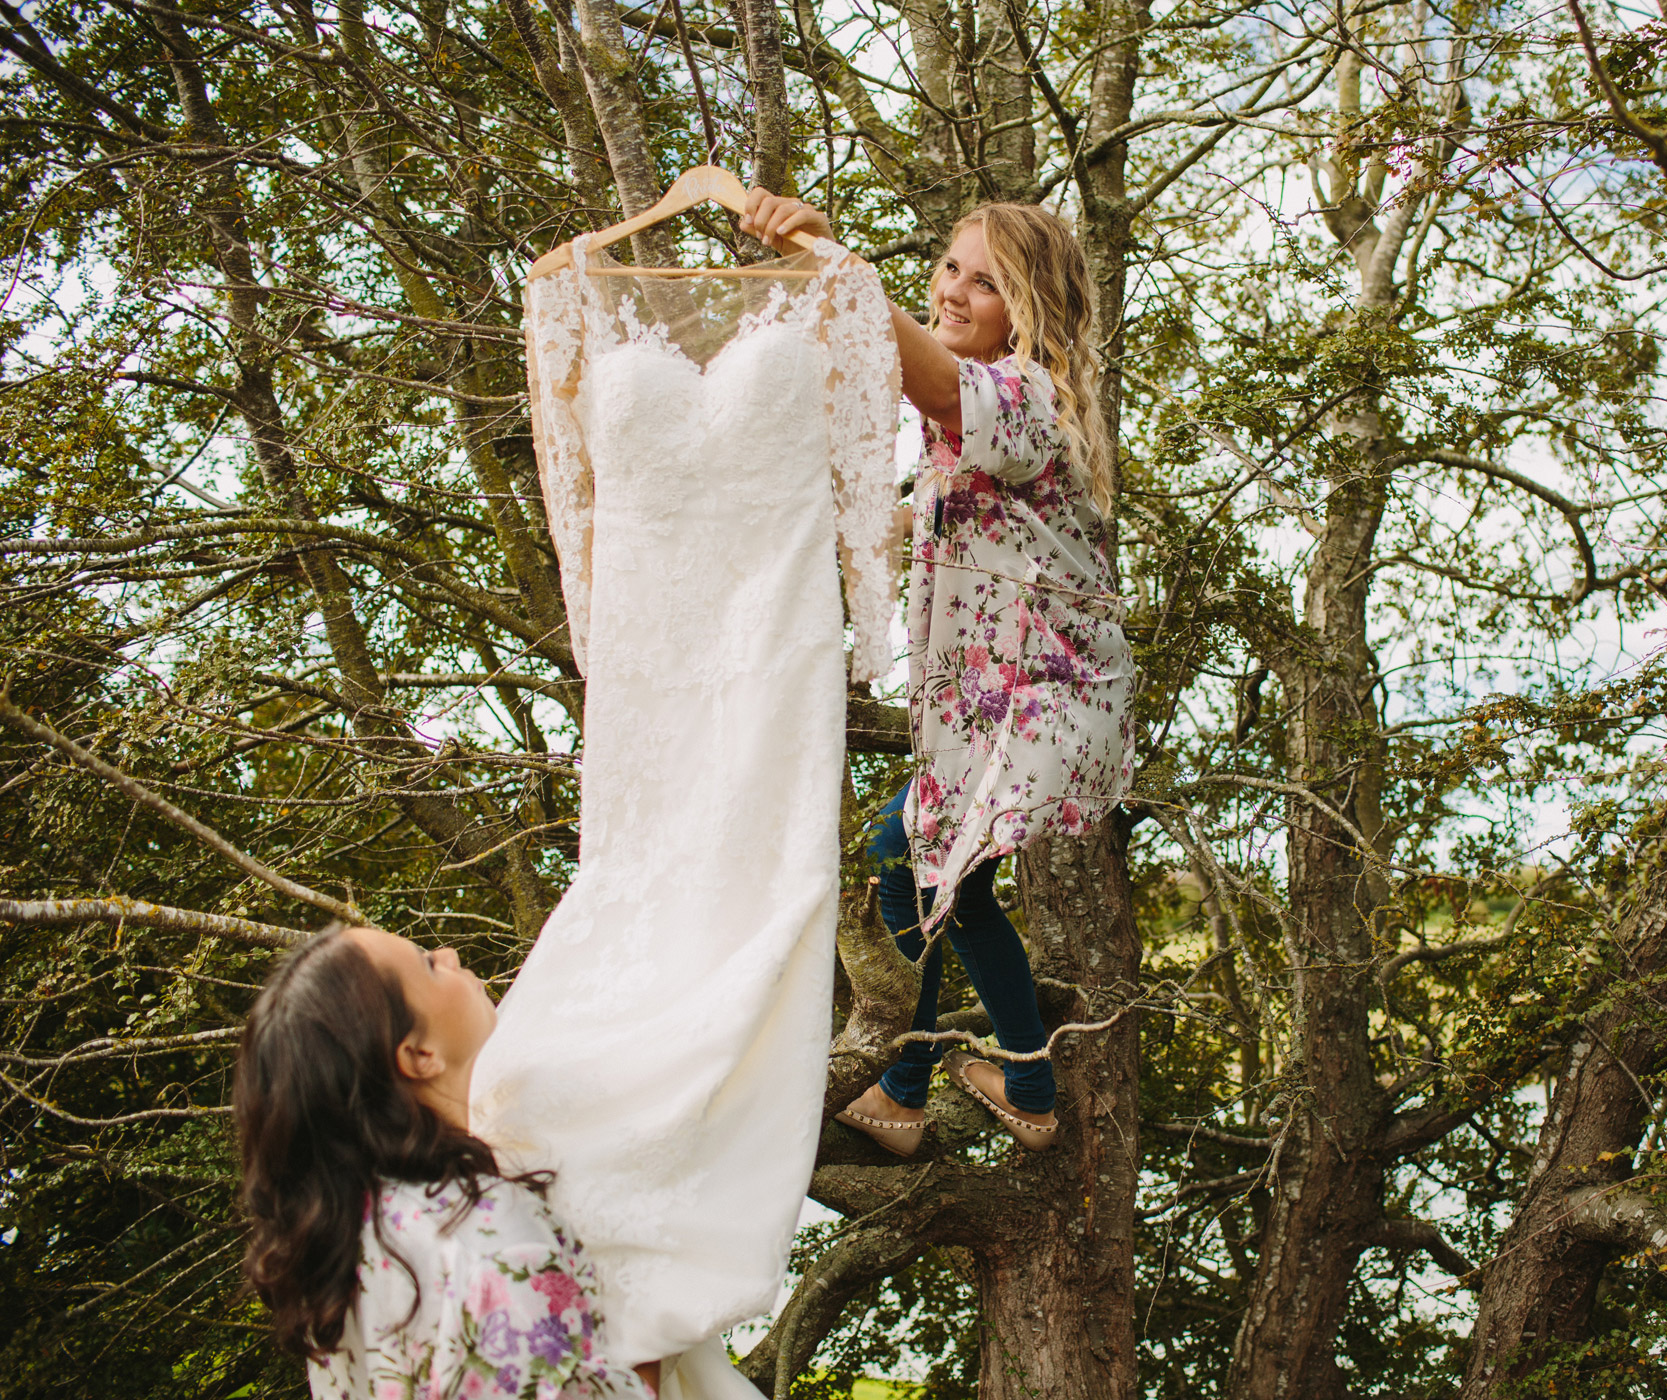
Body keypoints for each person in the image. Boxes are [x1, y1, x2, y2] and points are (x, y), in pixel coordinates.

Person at [739, 193, 1138, 1157]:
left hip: (1039, 701)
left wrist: (834, 261)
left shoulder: (1025, 397)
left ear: (1028, 307)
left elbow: (933, 382)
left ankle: (934, 1089)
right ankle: (973, 1087)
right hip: (1011, 703)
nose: (956, 290)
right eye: (951, 267)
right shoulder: (985, 417)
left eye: (986, 281)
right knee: (938, 879)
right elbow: (915, 514)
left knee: (903, 863)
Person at [235, 923, 659, 1399]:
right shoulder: (485, 1232)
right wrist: (654, 1318)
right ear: (419, 1055)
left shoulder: (344, 1251)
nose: (450, 952)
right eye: (428, 964)